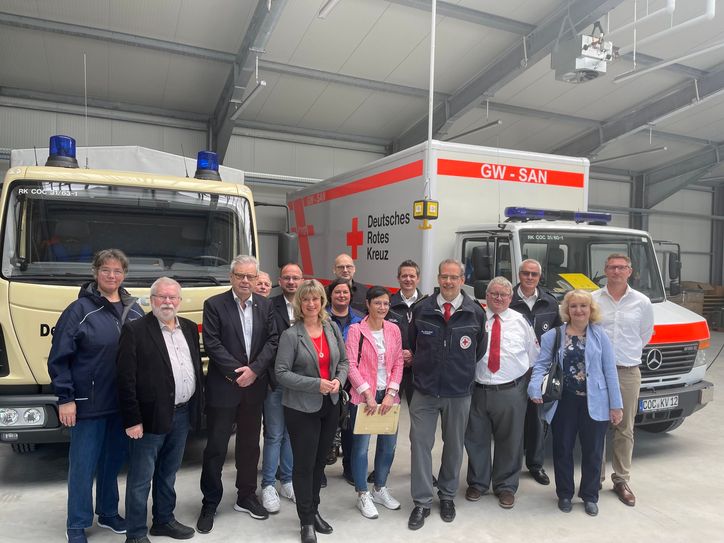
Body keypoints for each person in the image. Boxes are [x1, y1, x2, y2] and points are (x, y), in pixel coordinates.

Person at [48, 249, 144, 543]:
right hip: (88, 404)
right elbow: (59, 357)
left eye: (117, 271)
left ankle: (108, 513)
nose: (111, 276)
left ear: (124, 275)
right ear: (95, 273)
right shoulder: (79, 310)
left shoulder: (135, 309)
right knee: (83, 465)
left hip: (122, 405)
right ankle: (76, 523)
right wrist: (65, 398)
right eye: (106, 270)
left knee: (112, 463)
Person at [197, 255, 279, 533]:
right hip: (224, 387)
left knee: (248, 445)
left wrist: (254, 371)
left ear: (257, 279)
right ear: (231, 277)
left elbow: (273, 340)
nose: (246, 281)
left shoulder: (265, 306)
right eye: (240, 275)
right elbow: (212, 343)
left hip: (254, 387)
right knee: (217, 447)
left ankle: (246, 495)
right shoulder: (214, 305)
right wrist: (238, 372)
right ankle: (210, 501)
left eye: (250, 276)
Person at [117, 277, 203, 542]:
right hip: (149, 417)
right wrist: (132, 420)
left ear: (179, 301)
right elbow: (125, 379)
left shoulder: (188, 328)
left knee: (168, 473)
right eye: (162, 297)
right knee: (141, 479)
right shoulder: (135, 330)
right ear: (151, 300)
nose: (167, 302)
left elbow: (195, 369)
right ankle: (135, 534)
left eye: (172, 297)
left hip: (182, 413)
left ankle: (163, 521)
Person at [528, 289, 624, 516]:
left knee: (593, 451)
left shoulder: (600, 335)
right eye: (574, 306)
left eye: (583, 306)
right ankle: (564, 494)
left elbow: (610, 371)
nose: (579, 310)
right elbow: (541, 365)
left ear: (591, 310)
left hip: (595, 401)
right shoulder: (554, 335)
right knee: (562, 449)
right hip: (564, 402)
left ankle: (590, 495)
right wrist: (534, 386)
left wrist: (616, 405)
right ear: (567, 310)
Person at [407, 259, 486, 530]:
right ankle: (421, 501)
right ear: (438, 278)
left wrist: (458, 372)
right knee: (420, 445)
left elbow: (479, 350)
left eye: (454, 277)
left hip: (458, 392)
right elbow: (411, 344)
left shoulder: (475, 312)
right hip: (425, 391)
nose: (449, 282)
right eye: (444, 277)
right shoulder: (422, 309)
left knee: (453, 447)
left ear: (462, 279)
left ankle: (448, 495)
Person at [275, 280, 349, 543]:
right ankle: (305, 520)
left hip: (329, 406)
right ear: (299, 303)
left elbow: (343, 361)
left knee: (320, 463)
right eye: (305, 299)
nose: (310, 304)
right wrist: (315, 384)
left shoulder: (330, 327)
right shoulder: (290, 335)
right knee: (304, 465)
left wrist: (339, 380)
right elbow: (281, 374)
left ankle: (314, 509)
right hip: (301, 409)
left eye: (315, 299)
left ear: (322, 302)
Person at [465, 276, 539, 510]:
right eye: (494, 294)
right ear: (486, 296)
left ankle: (506, 486)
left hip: (510, 390)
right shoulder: (475, 318)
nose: (498, 298)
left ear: (511, 297)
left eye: (503, 295)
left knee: (511, 440)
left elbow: (532, 357)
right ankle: (478, 482)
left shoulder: (521, 322)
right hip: (477, 389)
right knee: (476, 438)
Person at [592, 254, 654, 507]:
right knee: (596, 426)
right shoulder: (593, 299)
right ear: (605, 270)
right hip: (596, 373)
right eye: (612, 267)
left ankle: (621, 479)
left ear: (630, 271)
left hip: (627, 371)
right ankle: (595, 477)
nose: (616, 271)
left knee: (625, 428)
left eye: (622, 267)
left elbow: (645, 335)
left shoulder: (642, 302)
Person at [345, 286, 404, 519]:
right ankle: (362, 494)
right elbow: (349, 364)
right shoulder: (355, 330)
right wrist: (367, 393)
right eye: (378, 303)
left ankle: (379, 488)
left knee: (388, 445)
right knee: (360, 448)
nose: (383, 308)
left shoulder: (394, 330)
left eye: (386, 303)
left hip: (389, 396)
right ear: (367, 304)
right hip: (363, 397)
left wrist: (390, 392)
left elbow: (399, 362)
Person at [509, 258, 562, 486]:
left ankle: (535, 464)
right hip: (513, 370)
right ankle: (510, 466)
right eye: (525, 273)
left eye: (534, 274)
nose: (529, 278)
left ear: (540, 277)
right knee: (513, 420)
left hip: (539, 370)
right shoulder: (507, 299)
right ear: (519, 275)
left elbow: (560, 333)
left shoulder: (550, 303)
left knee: (537, 419)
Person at [260, 263, 303, 513]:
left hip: (300, 384)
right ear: (280, 280)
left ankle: (287, 480)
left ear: (302, 280)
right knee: (274, 434)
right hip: (276, 382)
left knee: (290, 434)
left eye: (295, 278)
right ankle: (268, 484)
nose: (291, 282)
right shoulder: (269, 305)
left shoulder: (308, 305)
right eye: (286, 278)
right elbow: (266, 344)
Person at [325, 277, 363, 483]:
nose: (342, 295)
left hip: (352, 383)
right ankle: (319, 469)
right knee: (324, 429)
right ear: (330, 295)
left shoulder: (360, 320)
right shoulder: (321, 319)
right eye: (337, 292)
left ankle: (349, 468)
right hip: (326, 381)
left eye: (345, 292)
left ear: (351, 295)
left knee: (351, 429)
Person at [386, 260, 425, 405]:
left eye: (412, 276)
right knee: (389, 411)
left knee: (418, 413)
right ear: (398, 278)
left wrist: (413, 354)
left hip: (418, 368)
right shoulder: (388, 304)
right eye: (404, 276)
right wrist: (399, 354)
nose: (408, 279)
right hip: (392, 367)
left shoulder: (426, 305)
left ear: (418, 278)